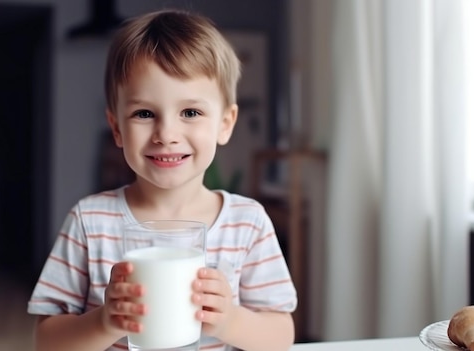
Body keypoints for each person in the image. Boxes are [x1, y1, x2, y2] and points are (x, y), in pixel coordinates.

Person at [27, 9, 297, 351]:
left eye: (191, 112)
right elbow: (46, 341)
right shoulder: (89, 222)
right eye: (144, 113)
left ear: (225, 124)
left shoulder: (248, 224)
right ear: (117, 128)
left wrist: (230, 320)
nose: (166, 134)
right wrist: (105, 321)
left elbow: (281, 336)